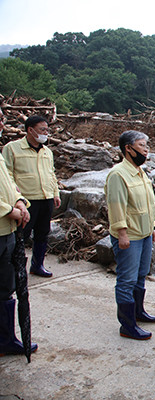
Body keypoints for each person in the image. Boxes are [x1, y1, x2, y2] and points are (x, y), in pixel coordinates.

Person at [104, 130, 155, 340]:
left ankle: (138, 312)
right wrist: (122, 233)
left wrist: (152, 228)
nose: (146, 149)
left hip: (144, 234)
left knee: (140, 275)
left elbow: (148, 204)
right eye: (142, 145)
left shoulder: (140, 171)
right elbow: (116, 206)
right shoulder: (118, 174)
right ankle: (127, 325)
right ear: (128, 148)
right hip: (130, 236)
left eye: (147, 145)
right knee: (127, 279)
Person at [2, 115, 61, 277]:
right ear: (30, 130)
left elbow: (51, 174)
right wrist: (14, 196)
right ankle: (16, 268)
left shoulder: (47, 151)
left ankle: (37, 265)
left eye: (47, 130)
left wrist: (55, 193)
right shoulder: (12, 148)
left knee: (42, 233)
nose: (46, 133)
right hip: (26, 201)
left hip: (46, 198)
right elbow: (6, 174)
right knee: (22, 235)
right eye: (42, 129)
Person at [0, 152, 38, 356]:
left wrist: (20, 202)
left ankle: (5, 340)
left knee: (6, 287)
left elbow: (8, 182)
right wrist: (7, 210)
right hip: (5, 221)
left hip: (7, 231)